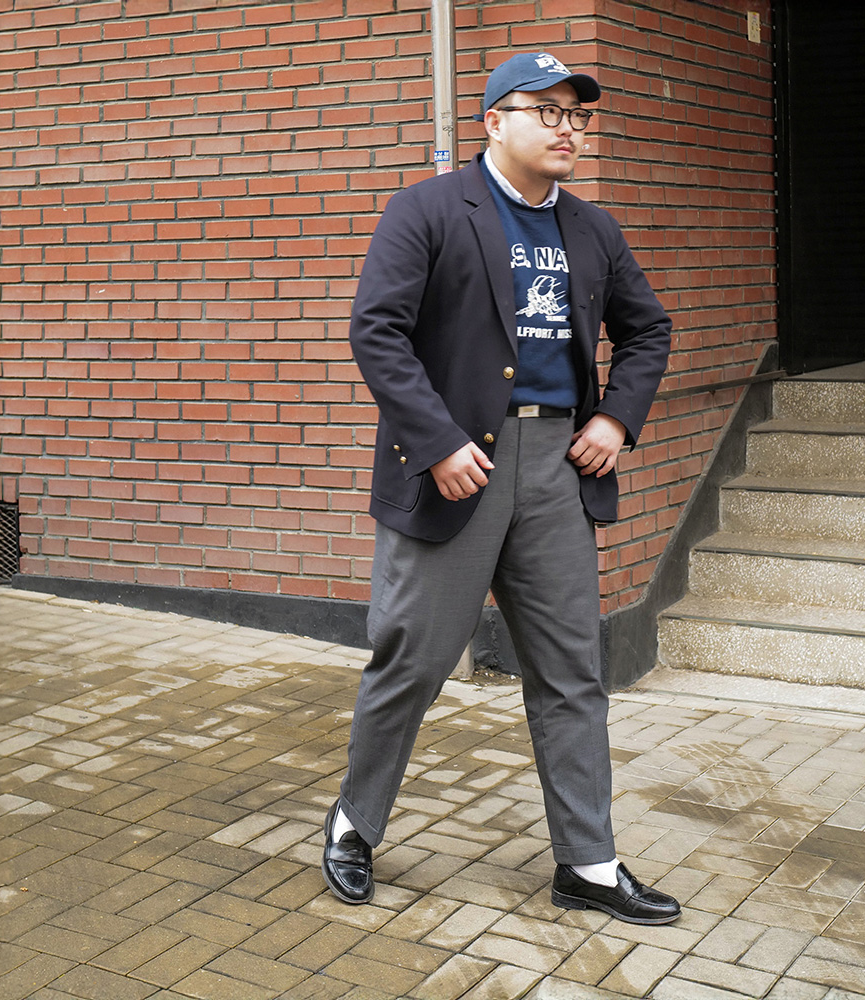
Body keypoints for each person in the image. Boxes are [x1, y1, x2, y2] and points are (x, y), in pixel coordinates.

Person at [324, 51, 679, 925]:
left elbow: (647, 330)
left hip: (560, 470)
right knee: (411, 660)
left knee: (571, 671)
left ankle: (588, 862)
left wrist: (614, 420)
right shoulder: (429, 210)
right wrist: (437, 439)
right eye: (547, 111)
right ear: (493, 121)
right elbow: (378, 333)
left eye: (577, 116)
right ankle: (352, 826)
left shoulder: (593, 229)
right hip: (456, 469)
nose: (567, 128)